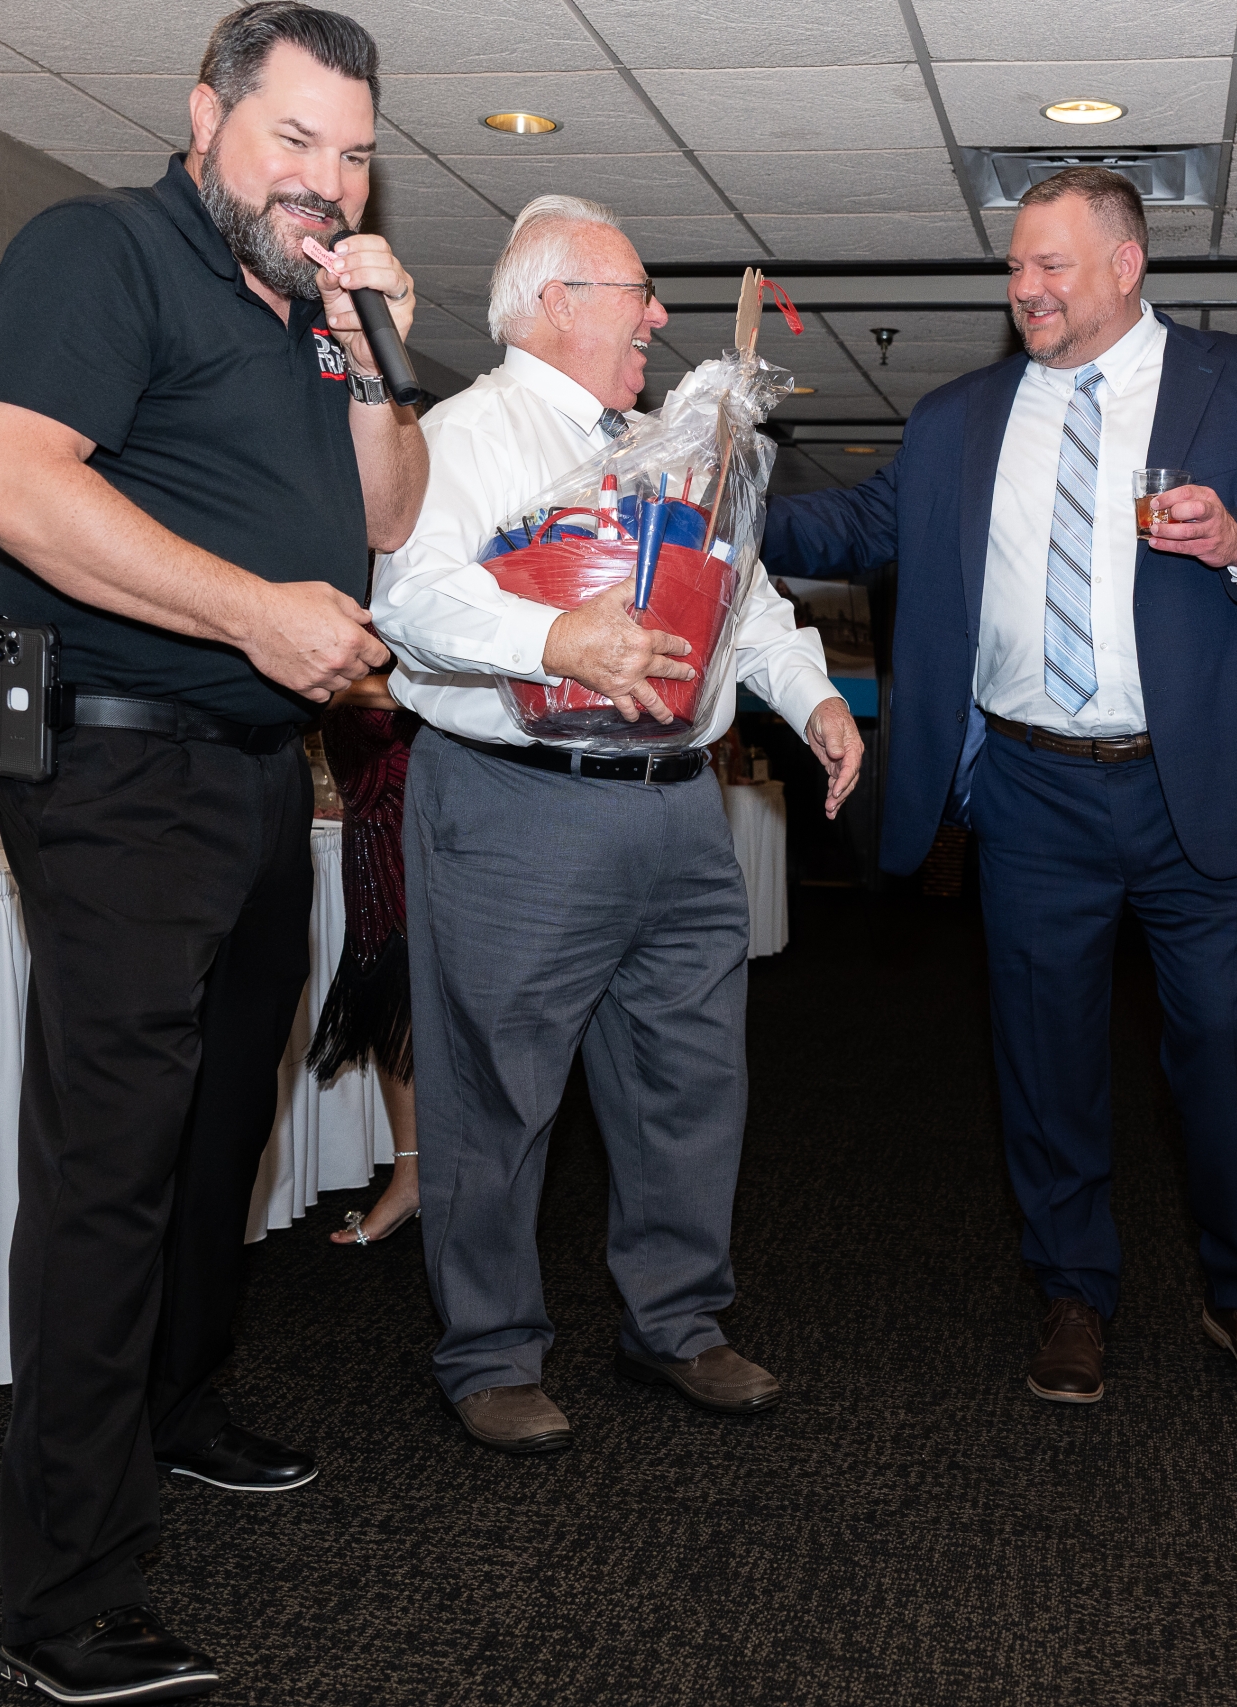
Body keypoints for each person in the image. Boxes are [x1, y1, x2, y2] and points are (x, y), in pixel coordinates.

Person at [0, 6, 423, 1698]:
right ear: (207, 117)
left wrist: (371, 350)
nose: (324, 179)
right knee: (115, 1165)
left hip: (250, 771)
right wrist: (251, 614)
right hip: (115, 764)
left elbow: (388, 515)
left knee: (226, 1121)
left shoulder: (313, 311)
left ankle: (179, 1399)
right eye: (294, 138)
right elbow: (7, 482)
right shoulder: (102, 249)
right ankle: (67, 1592)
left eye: (351, 154)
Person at [761, 167, 1237, 1409]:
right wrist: (720, 499)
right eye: (1015, 268)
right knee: (1044, 1053)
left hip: (1196, 779)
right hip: (1032, 788)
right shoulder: (958, 418)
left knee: (1217, 1052)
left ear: (1125, 264)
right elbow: (851, 531)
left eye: (1050, 265)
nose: (1026, 289)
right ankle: (1072, 1291)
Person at [369, 194, 863, 1455]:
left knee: (689, 1082)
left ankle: (676, 1324)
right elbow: (409, 603)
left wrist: (811, 700)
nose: (656, 315)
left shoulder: (669, 448)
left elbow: (745, 604)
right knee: (495, 1092)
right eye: (636, 291)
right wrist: (555, 639)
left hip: (681, 813)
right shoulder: (463, 436)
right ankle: (489, 1353)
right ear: (554, 302)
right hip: (517, 807)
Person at [309, 668, 422, 1246]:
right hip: (369, 825)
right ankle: (411, 1176)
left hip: (438, 810)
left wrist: (339, 684)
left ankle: (471, 1178)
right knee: (386, 991)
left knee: (460, 1002)